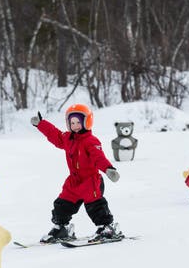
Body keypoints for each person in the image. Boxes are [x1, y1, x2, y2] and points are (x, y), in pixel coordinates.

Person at [31, 104, 122, 243]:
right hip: (74, 181)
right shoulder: (68, 138)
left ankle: (107, 227)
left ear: (87, 122)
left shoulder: (91, 141)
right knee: (62, 204)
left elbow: (98, 157)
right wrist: (41, 124)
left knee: (95, 206)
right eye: (72, 123)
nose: (75, 125)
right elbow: (54, 134)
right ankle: (62, 228)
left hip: (90, 181)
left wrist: (108, 169)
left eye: (79, 122)